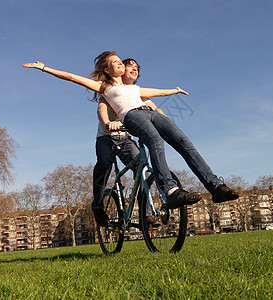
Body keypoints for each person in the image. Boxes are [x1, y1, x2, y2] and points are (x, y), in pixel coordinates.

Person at [22, 51, 238, 211]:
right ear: (107, 70)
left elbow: (157, 92)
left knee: (184, 142)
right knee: (154, 141)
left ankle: (216, 187)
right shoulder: (105, 88)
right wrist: (44, 68)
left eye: (120, 62)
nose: (121, 64)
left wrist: (175, 90)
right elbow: (71, 77)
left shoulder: (134, 88)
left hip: (149, 112)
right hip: (132, 116)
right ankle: (170, 191)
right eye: (116, 62)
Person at [93, 58, 163, 226]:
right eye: (130, 67)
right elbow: (101, 108)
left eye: (137, 68)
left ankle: (145, 215)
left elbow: (155, 109)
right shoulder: (110, 89)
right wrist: (107, 123)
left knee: (142, 169)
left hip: (125, 138)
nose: (135, 70)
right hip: (106, 137)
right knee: (104, 163)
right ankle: (97, 205)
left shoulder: (134, 91)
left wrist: (168, 125)